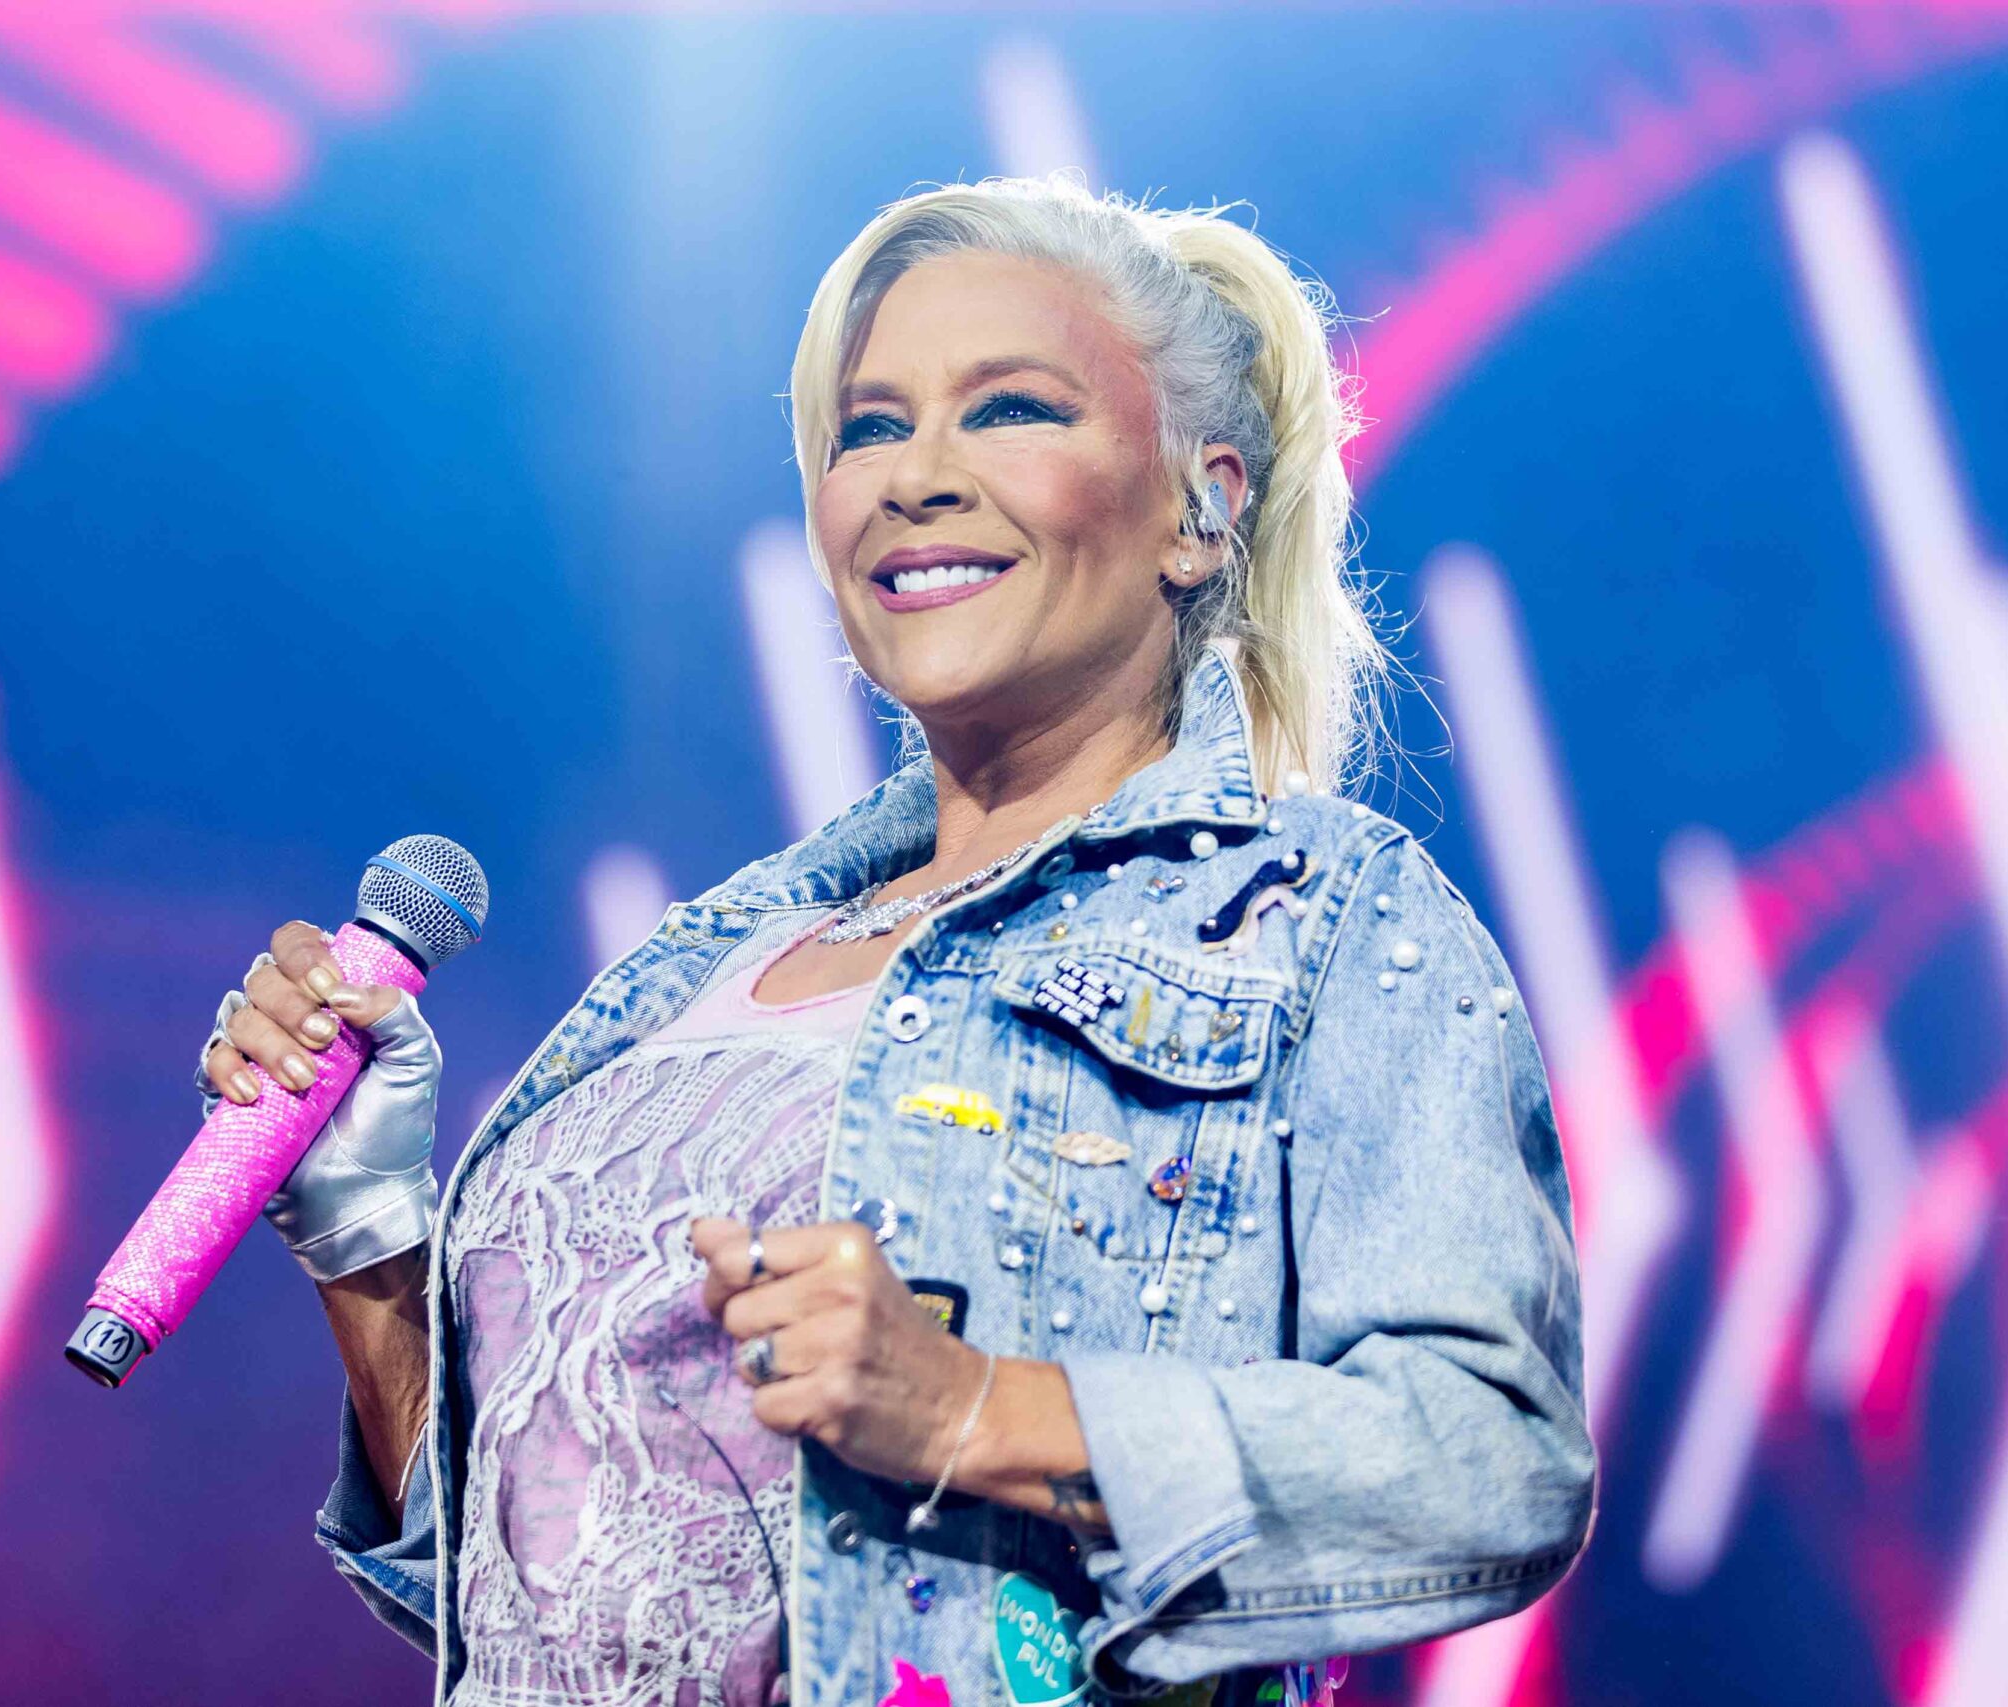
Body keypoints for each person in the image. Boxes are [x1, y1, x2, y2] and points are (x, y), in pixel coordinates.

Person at [198, 174, 1595, 1707]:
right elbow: (532, 1582)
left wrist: (977, 1413)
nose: (915, 476)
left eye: (1010, 410)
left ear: (1200, 512)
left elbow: (1493, 1458)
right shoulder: (705, 963)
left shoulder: (1313, 919)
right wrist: (368, 1240)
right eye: (869, 428)